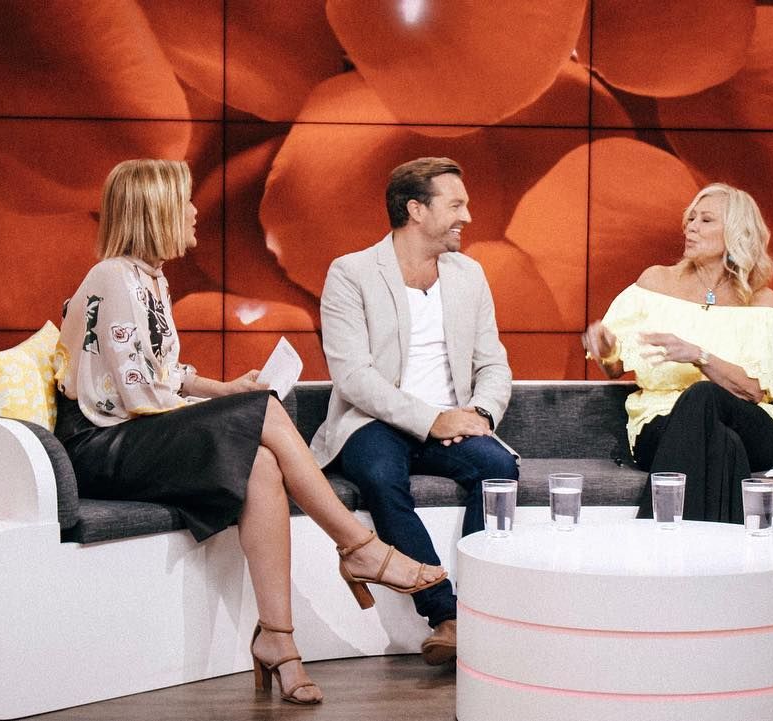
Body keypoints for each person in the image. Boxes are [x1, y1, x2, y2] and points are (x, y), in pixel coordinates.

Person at [53, 159, 447, 705]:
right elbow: (140, 396)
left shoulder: (150, 278)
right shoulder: (113, 276)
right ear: (155, 210)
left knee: (261, 462)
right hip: (101, 444)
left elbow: (163, 372)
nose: (195, 212)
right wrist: (231, 413)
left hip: (133, 433)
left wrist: (224, 391)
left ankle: (278, 641)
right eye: (184, 202)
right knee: (262, 414)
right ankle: (359, 547)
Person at [312, 157, 517, 665]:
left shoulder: (469, 274)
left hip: (455, 419)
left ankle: (479, 609)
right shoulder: (352, 273)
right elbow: (353, 376)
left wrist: (480, 414)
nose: (467, 216)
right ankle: (445, 615)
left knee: (499, 469)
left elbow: (494, 364)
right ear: (416, 210)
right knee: (380, 475)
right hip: (374, 421)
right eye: (456, 205)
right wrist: (431, 420)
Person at [583, 182, 773, 524]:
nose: (691, 227)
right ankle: (731, 550)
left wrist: (699, 355)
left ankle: (654, 537)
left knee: (704, 394)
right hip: (661, 423)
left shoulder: (762, 300)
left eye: (706, 220)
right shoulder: (655, 283)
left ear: (736, 233)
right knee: (724, 445)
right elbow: (614, 366)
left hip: (750, 423)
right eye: (690, 219)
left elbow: (755, 391)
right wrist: (605, 349)